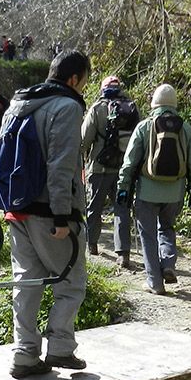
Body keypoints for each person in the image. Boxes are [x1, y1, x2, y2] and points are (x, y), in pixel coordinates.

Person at [0, 50, 91, 379]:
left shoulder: (18, 103)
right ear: (73, 79)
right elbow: (62, 165)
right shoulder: (68, 107)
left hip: (15, 210)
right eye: (84, 80)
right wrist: (61, 216)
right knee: (71, 281)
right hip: (50, 214)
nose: (84, 86)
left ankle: (24, 355)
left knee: (26, 283)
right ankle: (60, 348)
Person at [117, 84, 191, 295]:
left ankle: (154, 282)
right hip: (175, 193)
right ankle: (168, 264)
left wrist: (123, 188)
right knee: (167, 228)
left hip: (147, 191)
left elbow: (129, 163)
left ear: (154, 103)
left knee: (148, 235)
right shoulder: (186, 128)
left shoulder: (145, 127)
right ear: (174, 104)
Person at [80, 75, 140, 267]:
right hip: (124, 169)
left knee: (95, 206)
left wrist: (79, 160)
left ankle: (92, 244)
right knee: (122, 208)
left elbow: (84, 140)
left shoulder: (97, 109)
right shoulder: (131, 108)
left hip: (99, 167)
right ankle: (123, 254)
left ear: (102, 89)